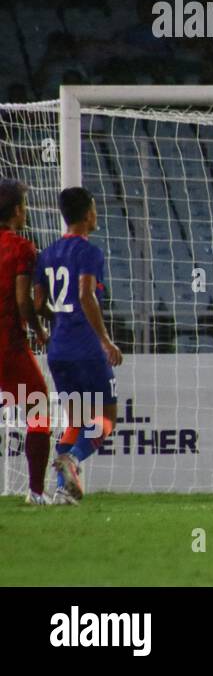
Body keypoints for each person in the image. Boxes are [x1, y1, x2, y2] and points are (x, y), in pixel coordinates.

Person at [35, 187, 124, 504]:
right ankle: (73, 459)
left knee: (75, 419)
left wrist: (58, 320)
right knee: (107, 417)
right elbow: (86, 295)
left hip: (58, 349)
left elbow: (37, 303)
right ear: (88, 213)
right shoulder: (90, 253)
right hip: (85, 346)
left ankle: (62, 489)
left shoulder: (46, 254)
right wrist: (105, 340)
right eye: (95, 208)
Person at [0, 180, 52, 504]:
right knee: (39, 410)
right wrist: (38, 330)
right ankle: (35, 492)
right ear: (18, 211)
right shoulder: (22, 248)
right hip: (8, 344)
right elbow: (24, 302)